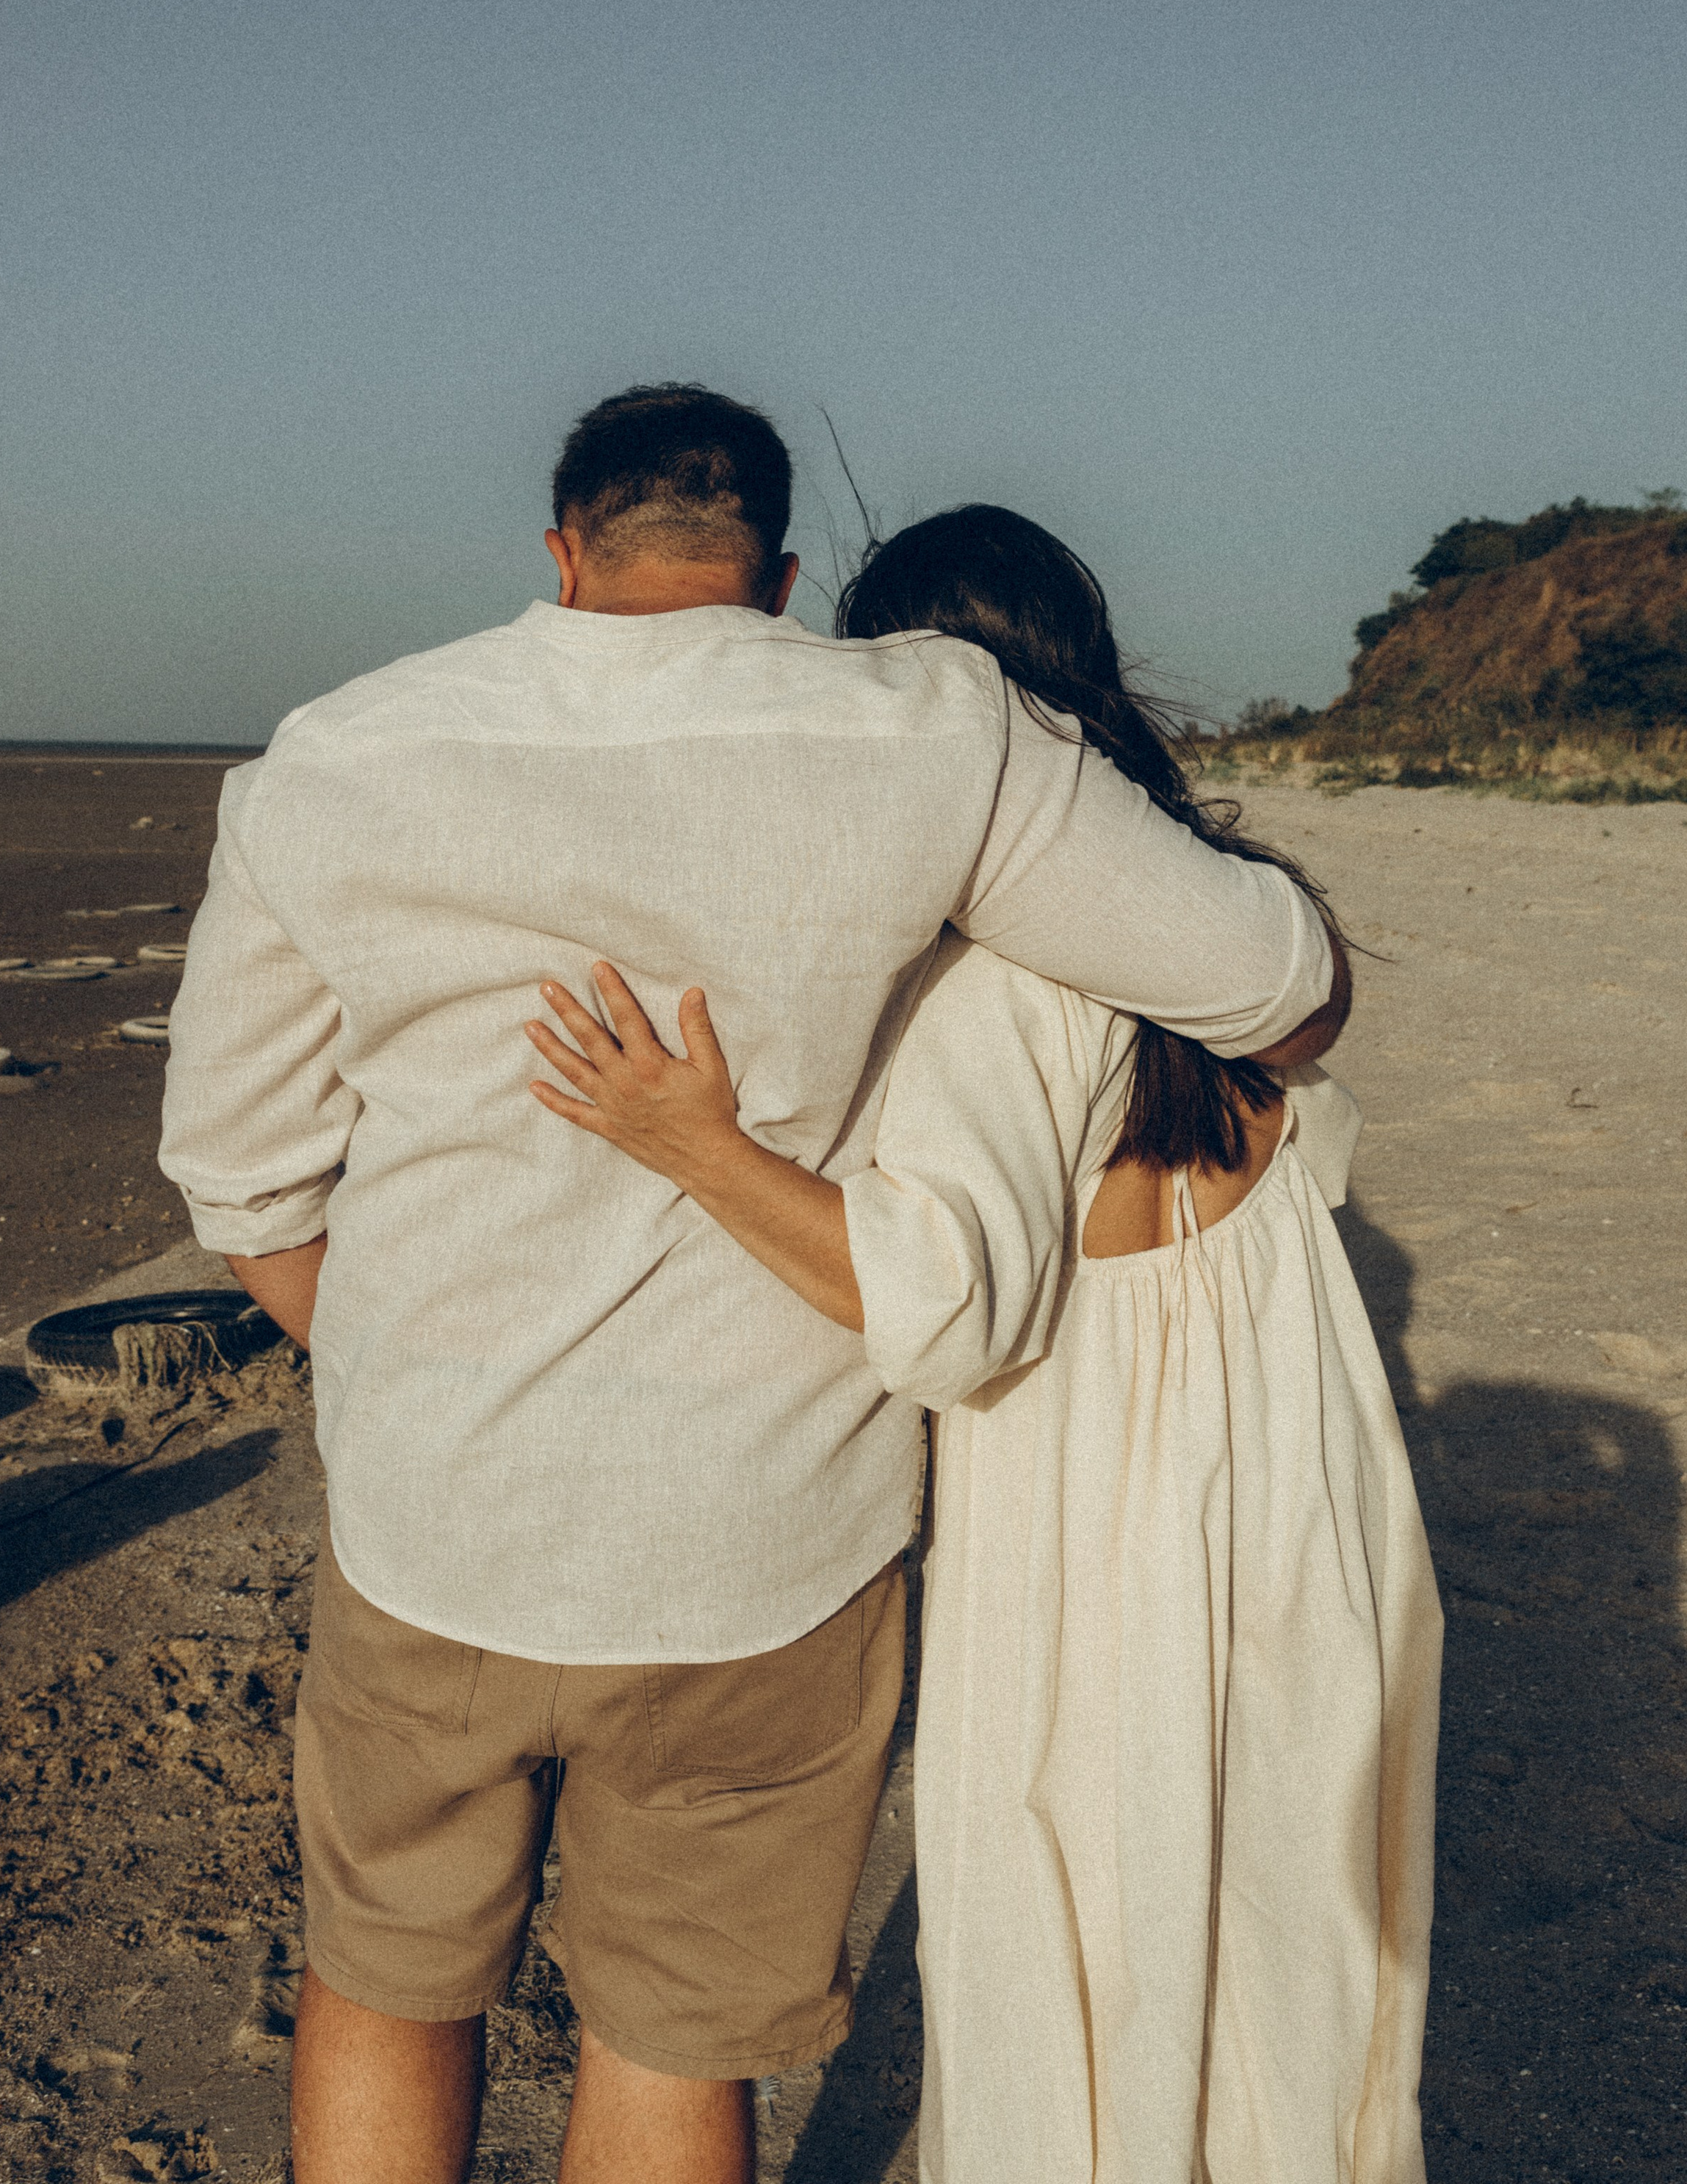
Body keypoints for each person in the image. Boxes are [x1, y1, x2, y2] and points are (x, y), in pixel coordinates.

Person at [159, 395, 1346, 2184]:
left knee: (390, 1984)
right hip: (764, 1543)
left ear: (558, 554)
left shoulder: (332, 755)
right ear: (777, 578)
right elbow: (1277, 983)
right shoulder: (936, 734)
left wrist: (398, 1372)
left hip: (434, 1521)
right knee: (674, 2041)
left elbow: (242, 1180)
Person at [529, 505, 1439, 2184]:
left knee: (1075, 1949)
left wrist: (695, 1148)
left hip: (1102, 1524)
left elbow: (937, 1308)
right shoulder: (1221, 917)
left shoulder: (994, 979)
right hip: (1301, 1507)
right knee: (1280, 1954)